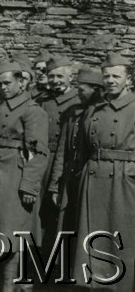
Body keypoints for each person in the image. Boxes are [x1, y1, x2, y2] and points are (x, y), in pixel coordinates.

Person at [0, 61, 49, 292]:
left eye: (7, 83)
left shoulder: (33, 111)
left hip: (14, 174)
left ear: (21, 82)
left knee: (11, 230)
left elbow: (38, 152)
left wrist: (29, 186)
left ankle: (8, 284)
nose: (2, 88)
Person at [72, 54, 135, 292]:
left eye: (116, 76)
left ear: (128, 79)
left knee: (123, 237)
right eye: (106, 76)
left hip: (125, 181)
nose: (110, 81)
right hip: (94, 178)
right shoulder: (94, 109)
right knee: (95, 237)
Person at [48, 67, 103, 233]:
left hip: (93, 179)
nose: (77, 93)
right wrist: (55, 185)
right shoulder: (73, 113)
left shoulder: (102, 114)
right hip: (70, 178)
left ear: (96, 90)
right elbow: (62, 152)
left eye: (81, 89)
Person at [39, 56, 79, 256]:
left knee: (62, 210)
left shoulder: (79, 102)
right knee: (42, 211)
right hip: (44, 161)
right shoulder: (43, 101)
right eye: (51, 76)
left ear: (71, 76)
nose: (55, 80)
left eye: (60, 76)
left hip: (66, 162)